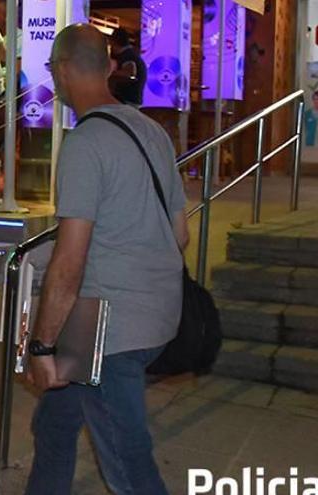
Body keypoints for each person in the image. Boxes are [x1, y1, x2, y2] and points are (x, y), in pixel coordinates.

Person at [24, 24, 188, 495]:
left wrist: (42, 345)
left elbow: (69, 262)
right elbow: (180, 233)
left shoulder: (84, 144)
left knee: (128, 463)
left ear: (60, 70)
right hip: (159, 315)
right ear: (109, 67)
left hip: (109, 335)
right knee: (55, 426)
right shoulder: (152, 131)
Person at [108, 28, 146, 106]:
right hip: (131, 102)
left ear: (113, 41)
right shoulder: (132, 55)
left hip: (127, 102)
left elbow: (129, 74)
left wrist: (107, 73)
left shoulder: (127, 56)